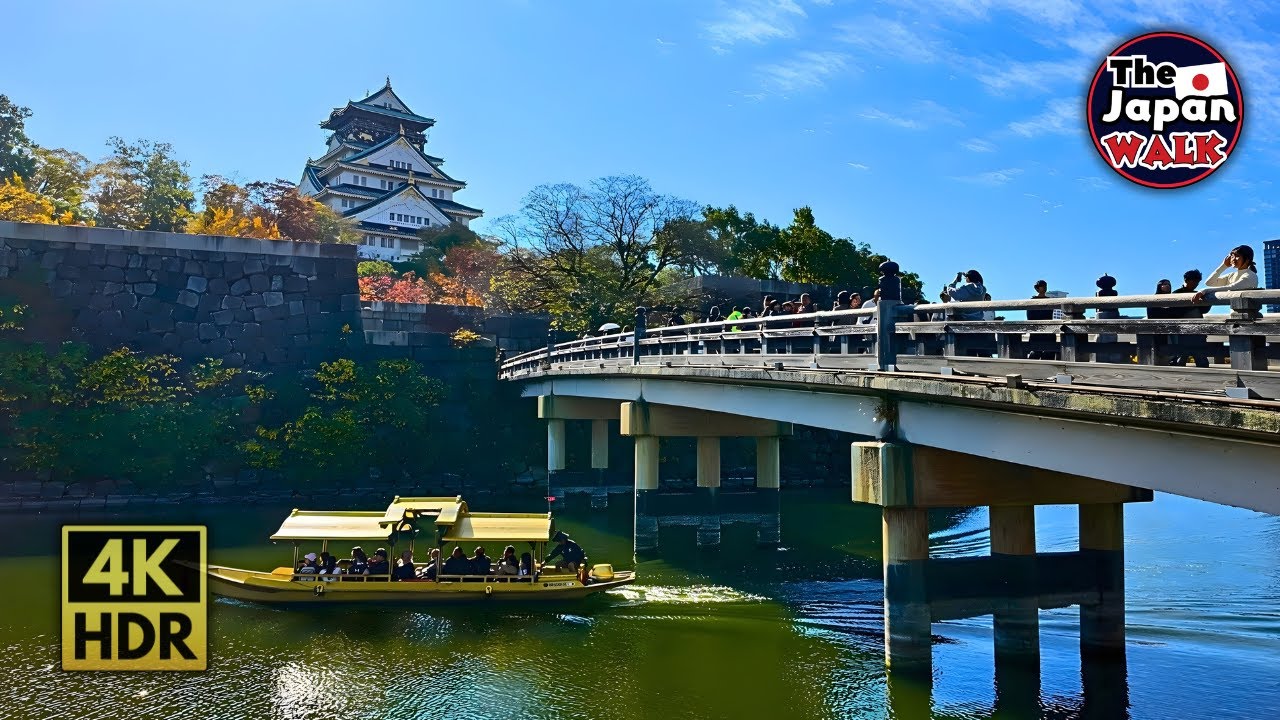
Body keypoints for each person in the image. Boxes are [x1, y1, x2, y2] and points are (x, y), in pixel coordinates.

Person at [1171, 269, 1209, 368]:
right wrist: (1192, 306)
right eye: (1194, 281)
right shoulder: (1176, 293)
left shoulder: (1198, 293)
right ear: (1187, 280)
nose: (1196, 284)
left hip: (1198, 330)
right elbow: (1174, 312)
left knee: (1201, 360)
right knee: (1180, 359)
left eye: (1197, 282)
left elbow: (1205, 310)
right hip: (1182, 331)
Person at [1194, 245, 1259, 302]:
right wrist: (1223, 266)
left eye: (1237, 256)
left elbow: (1233, 287)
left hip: (1249, 314)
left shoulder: (1251, 275)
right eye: (1232, 256)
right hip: (1235, 313)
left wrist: (1205, 291)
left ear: (1247, 259)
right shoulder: (1231, 275)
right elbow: (1209, 282)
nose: (1233, 259)